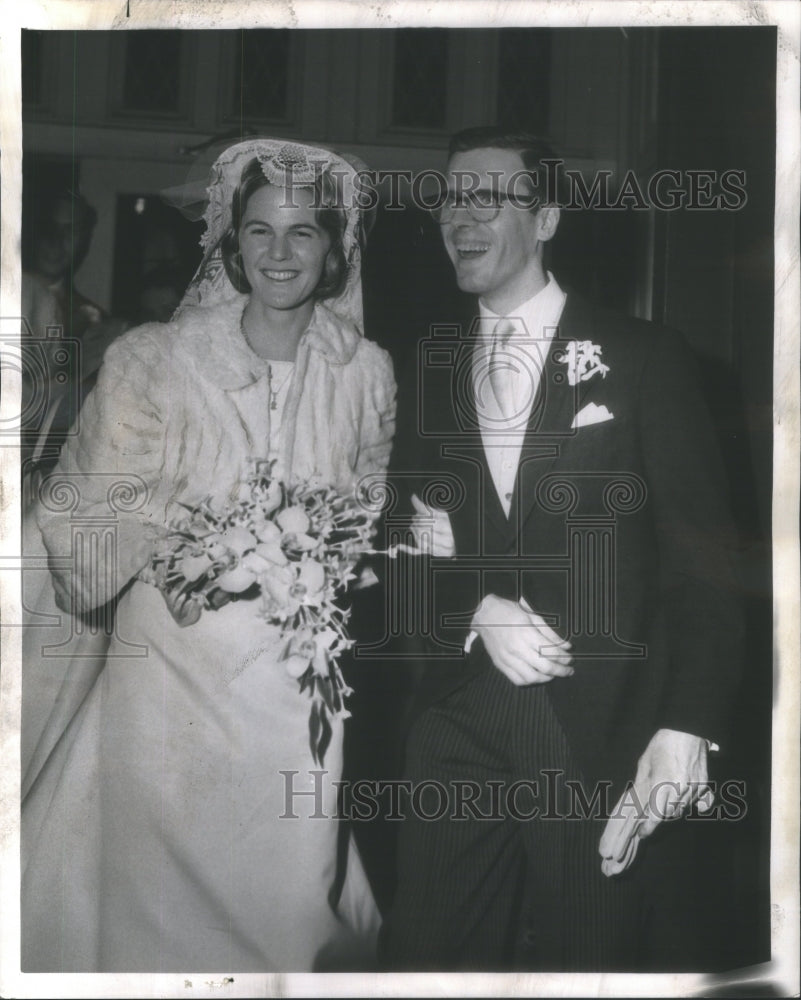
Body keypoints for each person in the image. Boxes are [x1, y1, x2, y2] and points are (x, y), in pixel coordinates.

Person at [22, 138, 396, 972]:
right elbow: (81, 513)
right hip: (170, 673)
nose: (278, 253)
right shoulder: (153, 362)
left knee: (290, 904)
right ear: (231, 242)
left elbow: (366, 510)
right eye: (259, 231)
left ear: (335, 250)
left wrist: (319, 557)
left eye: (303, 234)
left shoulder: (366, 373)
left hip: (294, 688)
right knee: (160, 912)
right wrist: (188, 548)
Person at [380, 127, 744, 970]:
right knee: (424, 964)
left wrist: (685, 726)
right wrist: (470, 603)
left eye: (487, 197)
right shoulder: (421, 367)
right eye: (449, 197)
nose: (458, 217)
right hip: (453, 720)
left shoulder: (645, 357)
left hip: (599, 730)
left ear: (545, 219)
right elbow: (393, 543)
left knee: (593, 963)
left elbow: (705, 566)